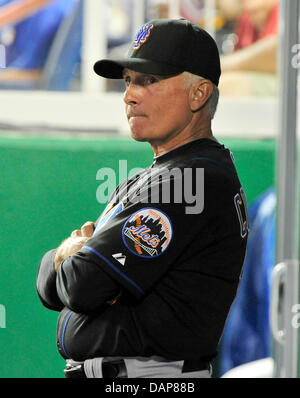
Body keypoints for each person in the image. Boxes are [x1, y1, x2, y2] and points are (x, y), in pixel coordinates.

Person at [36, 18, 249, 379]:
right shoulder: (164, 174)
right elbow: (50, 287)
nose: (129, 95)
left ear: (199, 94)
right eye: (129, 81)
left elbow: (83, 286)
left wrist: (70, 257)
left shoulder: (190, 179)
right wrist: (63, 257)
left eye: (149, 81)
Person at [218, 0, 278, 96]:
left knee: (227, 85)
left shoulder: (286, 14)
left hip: (287, 85)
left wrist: (218, 66)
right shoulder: (247, 19)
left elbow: (278, 53)